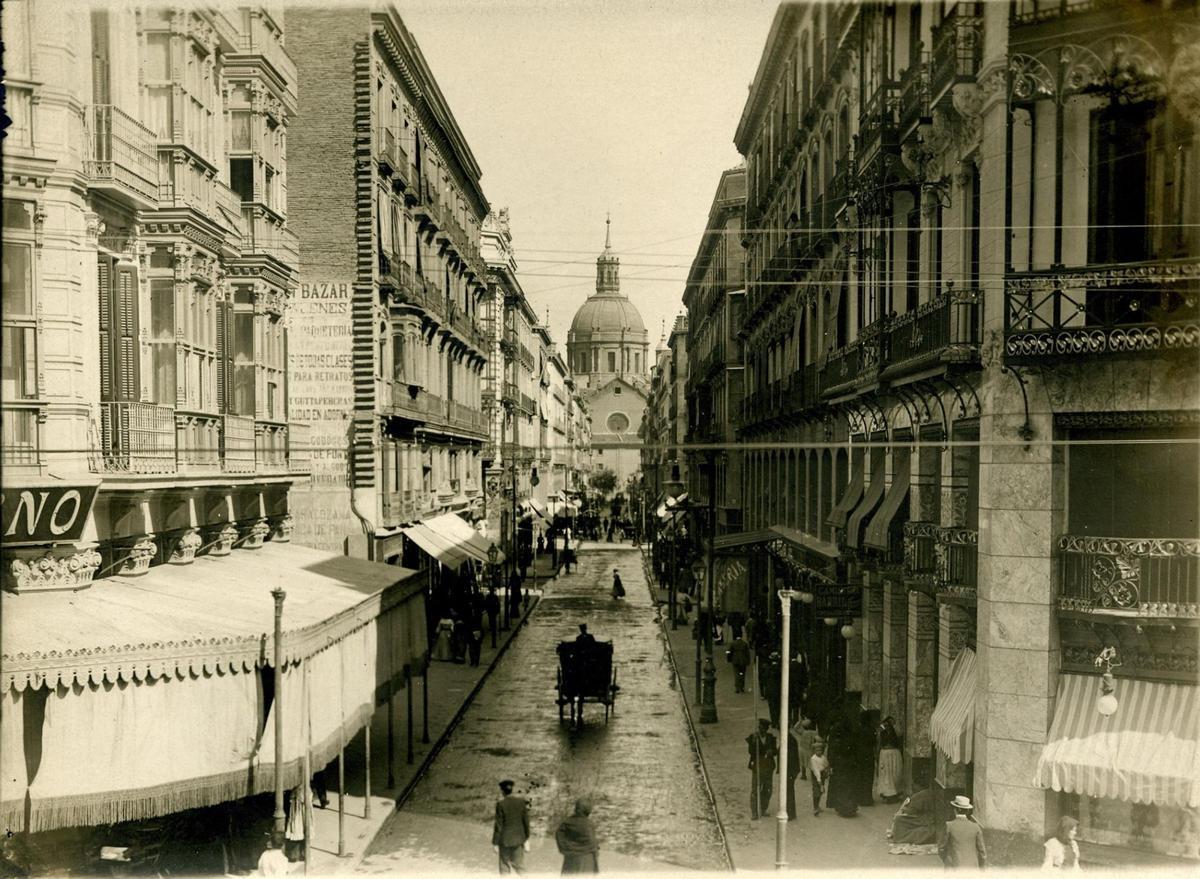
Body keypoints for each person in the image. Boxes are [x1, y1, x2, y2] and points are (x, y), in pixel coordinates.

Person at [492, 779, 531, 874]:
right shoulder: (521, 802)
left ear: (502, 791)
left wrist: (495, 843)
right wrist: (526, 838)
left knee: (504, 866)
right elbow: (526, 822)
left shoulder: (500, 804)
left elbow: (499, 825)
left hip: (504, 841)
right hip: (518, 840)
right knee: (520, 866)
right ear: (512, 790)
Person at [939, 795, 987, 870]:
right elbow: (982, 852)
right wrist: (981, 867)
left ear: (955, 809)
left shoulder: (949, 825)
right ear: (967, 811)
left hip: (953, 867)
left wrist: (947, 859)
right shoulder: (975, 827)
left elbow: (941, 848)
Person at [555, 798, 600, 874]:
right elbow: (592, 843)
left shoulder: (567, 822)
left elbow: (559, 836)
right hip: (586, 859)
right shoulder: (588, 824)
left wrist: (566, 849)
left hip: (570, 858)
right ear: (587, 810)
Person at [746, 718, 776, 820]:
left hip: (768, 767)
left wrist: (771, 751)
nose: (760, 730)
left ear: (766, 729)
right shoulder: (753, 737)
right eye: (759, 728)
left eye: (762, 728)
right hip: (758, 766)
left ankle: (763, 808)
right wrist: (753, 742)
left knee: (768, 789)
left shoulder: (771, 738)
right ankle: (754, 812)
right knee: (755, 789)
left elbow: (775, 751)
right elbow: (751, 751)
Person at [876, 716, 904, 803]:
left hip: (893, 753)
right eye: (887, 724)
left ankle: (893, 793)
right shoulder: (882, 732)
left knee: (893, 773)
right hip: (886, 753)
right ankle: (888, 793)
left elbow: (899, 738)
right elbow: (879, 743)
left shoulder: (895, 731)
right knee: (887, 774)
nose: (889, 725)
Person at [809, 740, 831, 816]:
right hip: (816, 776)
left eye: (820, 750)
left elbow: (826, 764)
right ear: (814, 751)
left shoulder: (823, 758)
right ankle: (815, 808)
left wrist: (827, 770)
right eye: (817, 750)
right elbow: (816, 770)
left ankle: (817, 805)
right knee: (816, 791)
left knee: (821, 791)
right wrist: (819, 780)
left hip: (822, 775)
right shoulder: (813, 759)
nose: (819, 752)